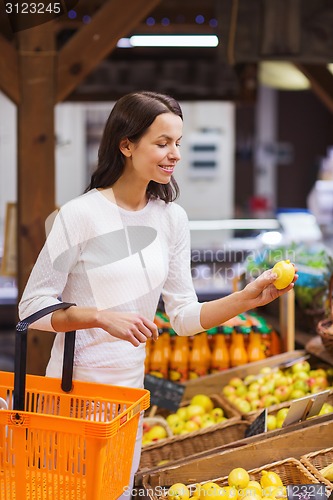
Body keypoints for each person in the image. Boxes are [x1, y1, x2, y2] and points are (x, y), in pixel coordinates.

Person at [18, 91, 297, 498]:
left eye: (178, 143)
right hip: (73, 392)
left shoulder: (171, 220)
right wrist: (98, 315)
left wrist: (248, 299)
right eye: (162, 143)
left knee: (117, 492)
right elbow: (32, 307)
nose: (175, 154)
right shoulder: (80, 215)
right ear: (126, 144)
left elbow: (183, 316)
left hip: (129, 395)